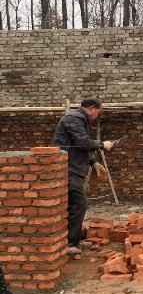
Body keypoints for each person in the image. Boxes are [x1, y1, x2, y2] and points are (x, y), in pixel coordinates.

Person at [53, 99, 115, 255]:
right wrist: (102, 144)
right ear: (92, 109)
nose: (97, 116)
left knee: (72, 204)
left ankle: (71, 237)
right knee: (79, 204)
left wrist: (93, 162)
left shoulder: (80, 119)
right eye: (98, 113)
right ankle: (71, 243)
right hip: (67, 168)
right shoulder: (74, 118)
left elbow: (79, 146)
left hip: (73, 167)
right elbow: (82, 142)